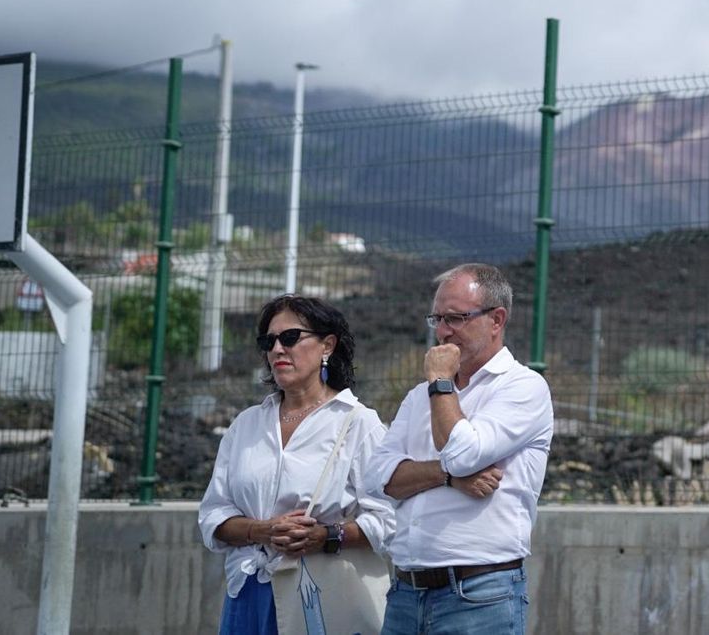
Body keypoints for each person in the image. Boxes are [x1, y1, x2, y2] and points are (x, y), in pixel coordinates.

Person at [365, 263, 554, 635]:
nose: (442, 331)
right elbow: (376, 479)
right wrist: (448, 478)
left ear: (496, 320)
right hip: (406, 593)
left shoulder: (523, 387)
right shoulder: (417, 397)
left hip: (479, 597)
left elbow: (462, 455)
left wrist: (440, 381)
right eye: (437, 319)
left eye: (455, 318)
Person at [198, 295, 393, 634]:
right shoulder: (246, 424)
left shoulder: (359, 424)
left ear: (327, 345)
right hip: (247, 594)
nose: (277, 349)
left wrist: (327, 536)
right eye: (268, 341)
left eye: (290, 338)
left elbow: (389, 520)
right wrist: (262, 530)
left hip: (322, 594)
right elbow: (213, 515)